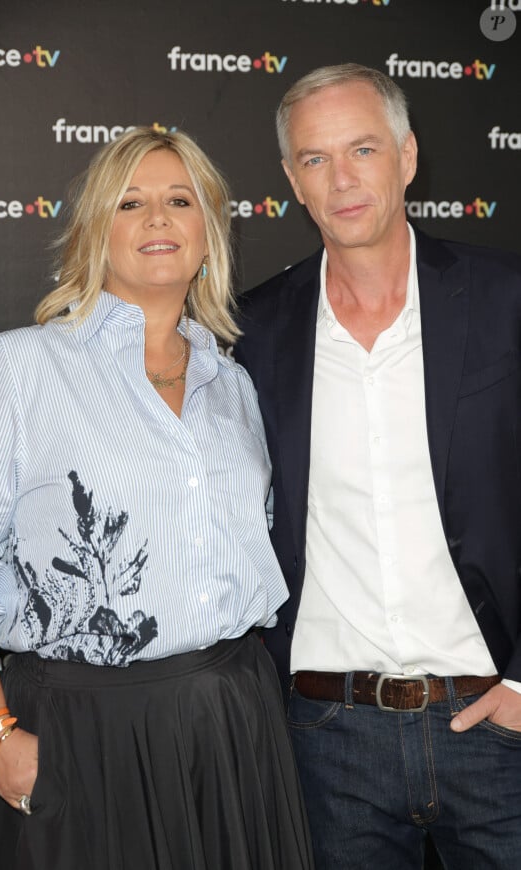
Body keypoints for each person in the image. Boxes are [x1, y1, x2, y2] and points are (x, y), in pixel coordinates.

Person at [0, 128, 314, 870]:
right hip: (85, 728)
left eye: (180, 200)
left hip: (236, 720)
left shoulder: (233, 383)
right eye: (130, 202)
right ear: (94, 233)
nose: (157, 219)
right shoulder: (17, 367)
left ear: (208, 233)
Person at [234, 63, 521, 869]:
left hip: (496, 724)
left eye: (363, 148)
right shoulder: (253, 331)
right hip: (330, 743)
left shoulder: (505, 299)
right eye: (317, 159)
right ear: (292, 179)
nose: (344, 178)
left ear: (408, 155)